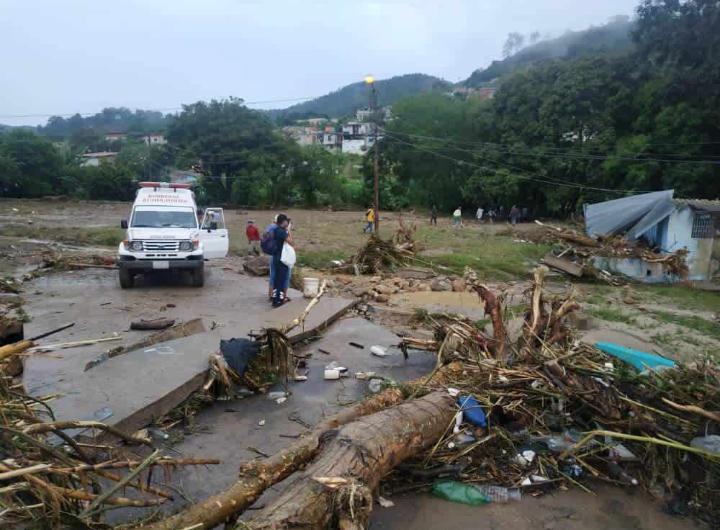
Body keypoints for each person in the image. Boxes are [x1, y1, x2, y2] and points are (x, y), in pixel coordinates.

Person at [271, 214, 292, 308]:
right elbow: (290, 241)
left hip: (275, 257)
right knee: (281, 279)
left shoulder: (275, 230)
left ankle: (275, 298)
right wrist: (288, 231)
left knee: (276, 279)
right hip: (282, 258)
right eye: (287, 221)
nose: (288, 223)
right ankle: (278, 300)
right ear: (283, 222)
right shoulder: (282, 231)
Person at [265, 215, 278, 300]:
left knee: (272, 274)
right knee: (277, 276)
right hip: (277, 253)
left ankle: (270, 294)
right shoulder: (277, 228)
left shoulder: (270, 227)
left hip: (272, 253)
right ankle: (275, 296)